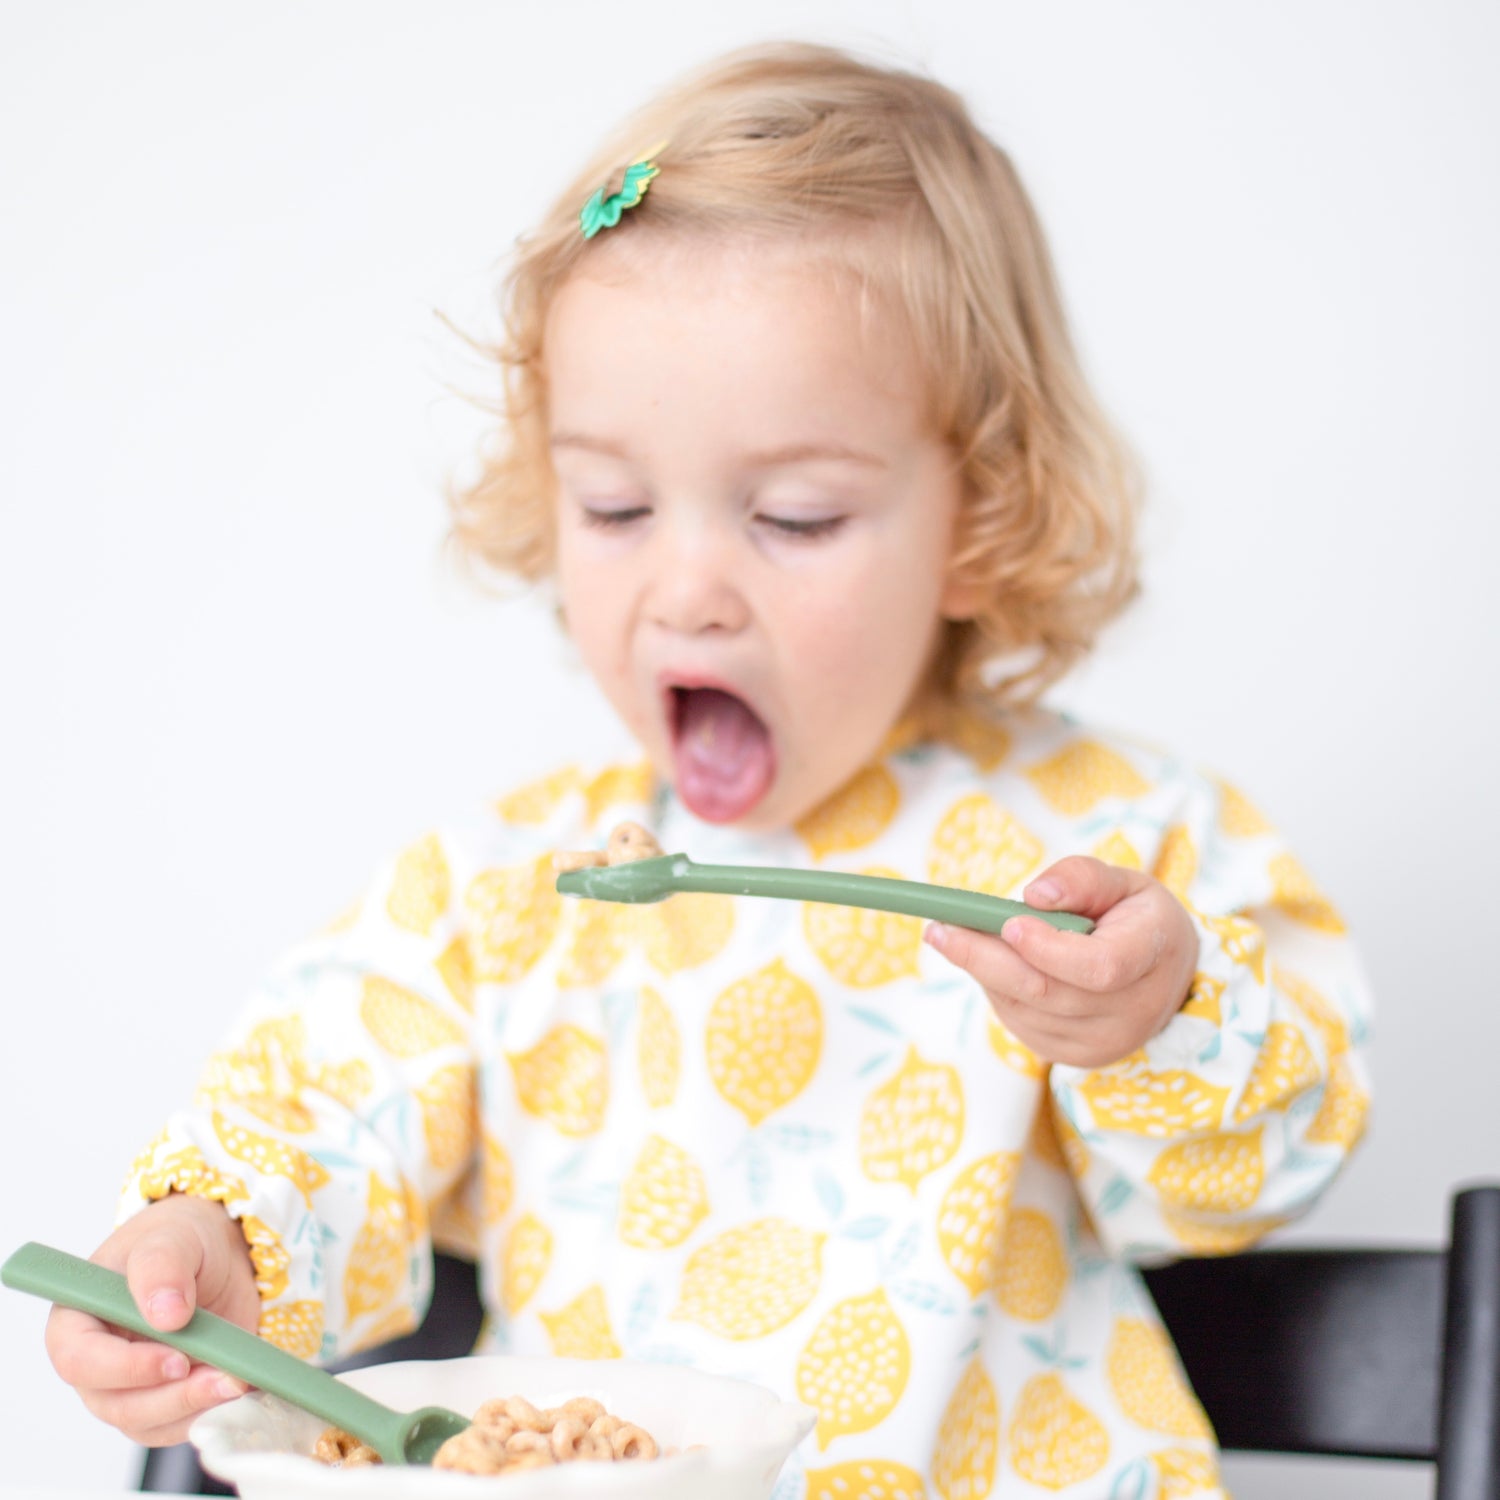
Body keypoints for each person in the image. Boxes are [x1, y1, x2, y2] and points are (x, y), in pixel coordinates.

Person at [44, 41, 1371, 1498]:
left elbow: (1263, 1170)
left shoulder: (1112, 844)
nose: (686, 590)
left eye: (793, 517)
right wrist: (214, 1246)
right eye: (614, 503)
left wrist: (1154, 1018)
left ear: (981, 514)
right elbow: (321, 1113)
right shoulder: (503, 894)